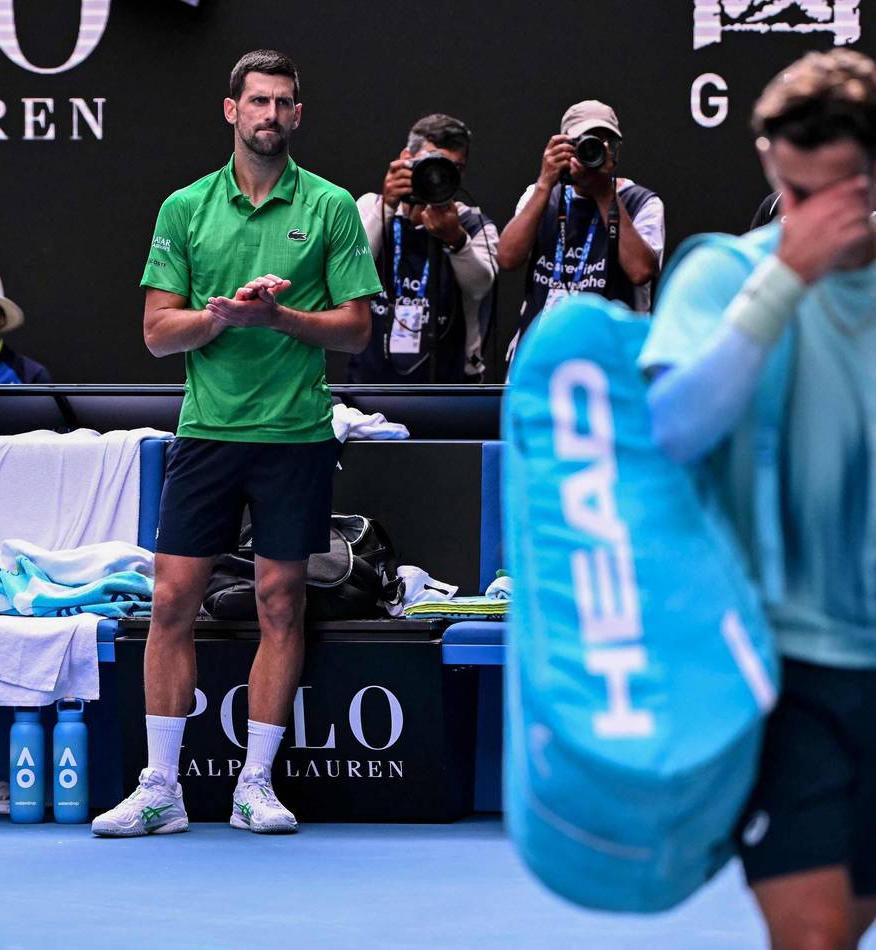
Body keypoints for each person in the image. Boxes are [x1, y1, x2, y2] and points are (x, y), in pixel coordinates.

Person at [91, 49, 381, 837]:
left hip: (295, 436)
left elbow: (356, 326)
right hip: (207, 434)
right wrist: (223, 314)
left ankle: (255, 786)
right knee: (170, 602)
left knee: (282, 603)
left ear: (297, 114)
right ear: (231, 110)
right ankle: (161, 789)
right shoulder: (184, 209)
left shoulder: (327, 209)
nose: (271, 115)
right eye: (258, 101)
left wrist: (279, 319)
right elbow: (158, 334)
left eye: (285, 103)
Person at [641, 50, 876, 949]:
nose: (818, 215)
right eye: (797, 189)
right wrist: (786, 281)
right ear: (773, 167)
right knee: (813, 940)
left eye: (841, 190)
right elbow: (672, 429)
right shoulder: (718, 277)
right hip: (782, 677)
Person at [498, 100, 664, 355]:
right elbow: (507, 258)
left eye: (604, 141)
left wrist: (604, 195)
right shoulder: (541, 195)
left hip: (612, 358)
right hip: (543, 354)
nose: (593, 150)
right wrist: (545, 182)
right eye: (585, 142)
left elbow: (641, 271)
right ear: (565, 147)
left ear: (615, 151)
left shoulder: (641, 202)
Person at [349, 114, 499, 382]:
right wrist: (387, 208)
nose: (438, 176)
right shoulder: (370, 208)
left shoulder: (472, 224)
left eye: (453, 168)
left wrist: (456, 239)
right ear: (406, 158)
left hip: (448, 384)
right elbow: (350, 271)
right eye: (432, 163)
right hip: (372, 380)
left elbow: (481, 288)